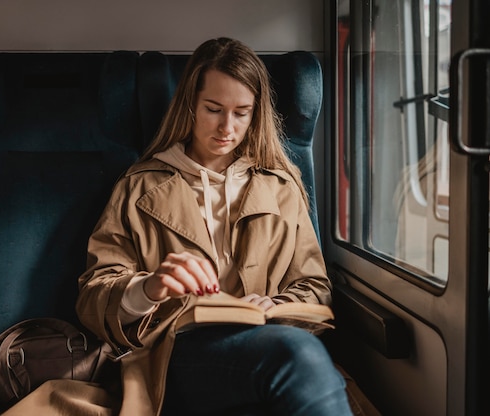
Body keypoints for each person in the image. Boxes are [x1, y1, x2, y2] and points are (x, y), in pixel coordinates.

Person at [76, 37, 352, 416]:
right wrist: (149, 287)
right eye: (214, 109)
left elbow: (315, 287)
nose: (227, 127)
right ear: (190, 105)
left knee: (297, 358)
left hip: (266, 340)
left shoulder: (281, 186)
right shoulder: (139, 186)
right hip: (175, 352)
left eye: (242, 113)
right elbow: (94, 295)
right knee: (298, 356)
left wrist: (275, 305)